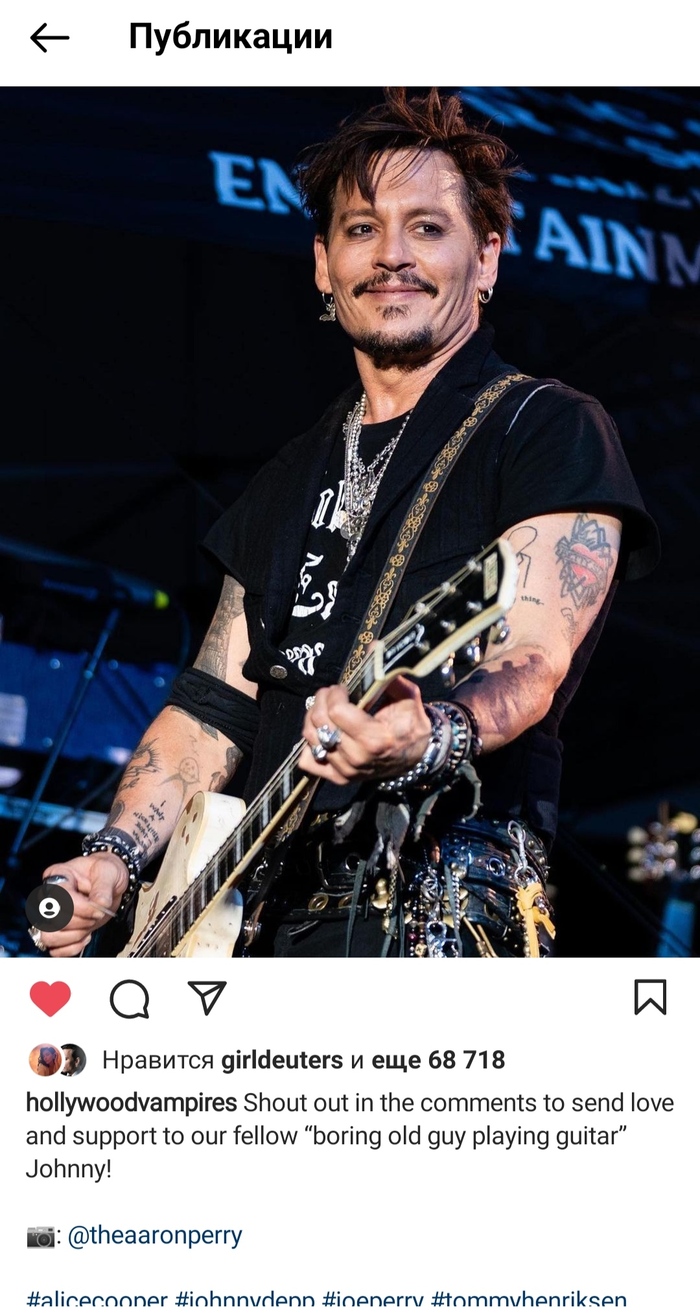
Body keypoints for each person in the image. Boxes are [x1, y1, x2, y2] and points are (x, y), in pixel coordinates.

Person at [38, 89, 657, 959]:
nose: (392, 255)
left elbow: (530, 658)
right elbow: (213, 706)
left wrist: (430, 733)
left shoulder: (544, 426)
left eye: (427, 228)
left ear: (486, 258)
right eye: (362, 229)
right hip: (252, 923)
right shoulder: (289, 475)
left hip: (432, 908)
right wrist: (114, 856)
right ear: (324, 265)